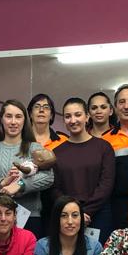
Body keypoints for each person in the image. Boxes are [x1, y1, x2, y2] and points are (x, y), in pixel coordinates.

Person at [0, 99, 54, 236]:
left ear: (24, 121)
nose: (13, 122)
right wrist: (1, 183)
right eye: (9, 116)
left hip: (29, 219)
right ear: (1, 119)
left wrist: (20, 184)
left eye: (18, 117)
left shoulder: (35, 148)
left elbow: (49, 177)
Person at [52, 98, 116, 239]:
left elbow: (106, 183)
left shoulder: (103, 147)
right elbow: (55, 188)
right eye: (68, 116)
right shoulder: (56, 152)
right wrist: (73, 213)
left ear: (87, 117)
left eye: (78, 115)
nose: (73, 120)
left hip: (98, 214)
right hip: (67, 217)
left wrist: (85, 212)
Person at [100, 84, 128, 232]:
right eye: (122, 102)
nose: (127, 106)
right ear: (115, 107)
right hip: (116, 207)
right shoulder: (105, 139)